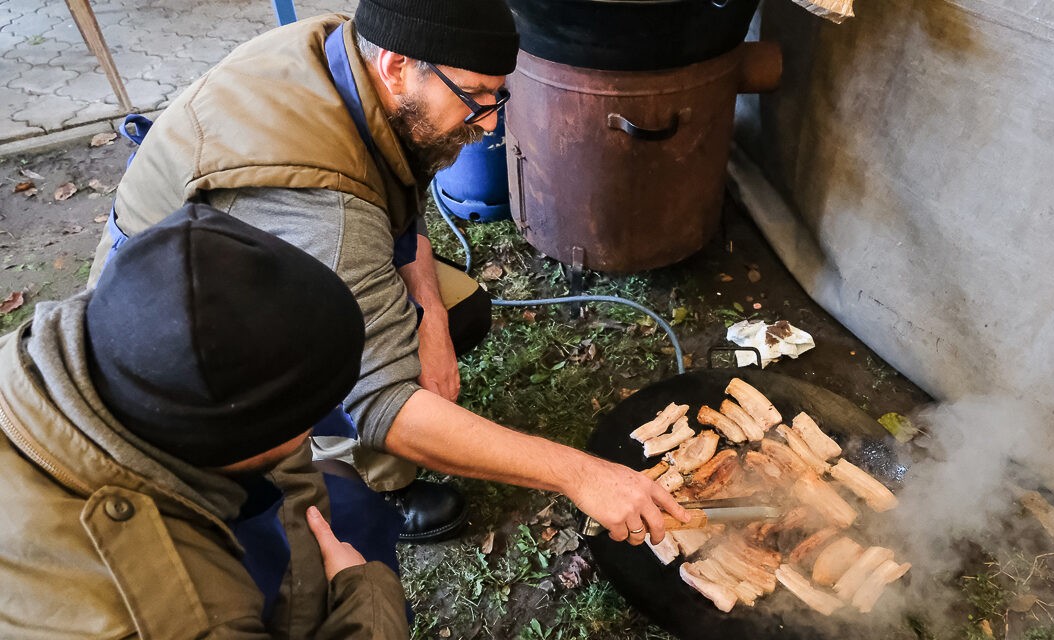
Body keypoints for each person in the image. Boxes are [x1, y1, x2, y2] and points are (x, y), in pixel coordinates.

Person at [89, 0, 686, 557]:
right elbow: (387, 403)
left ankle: (373, 410)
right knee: (363, 396)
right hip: (173, 343)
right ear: (399, 67)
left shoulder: (345, 59)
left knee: (458, 310)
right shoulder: (326, 211)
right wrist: (582, 475)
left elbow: (398, 194)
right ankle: (368, 483)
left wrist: (427, 316)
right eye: (475, 98)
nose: (485, 126)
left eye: (495, 99)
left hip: (246, 267)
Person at [0, 203, 410, 638]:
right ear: (232, 443)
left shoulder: (89, 348)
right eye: (310, 415)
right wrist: (365, 599)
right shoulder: (184, 618)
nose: (317, 425)